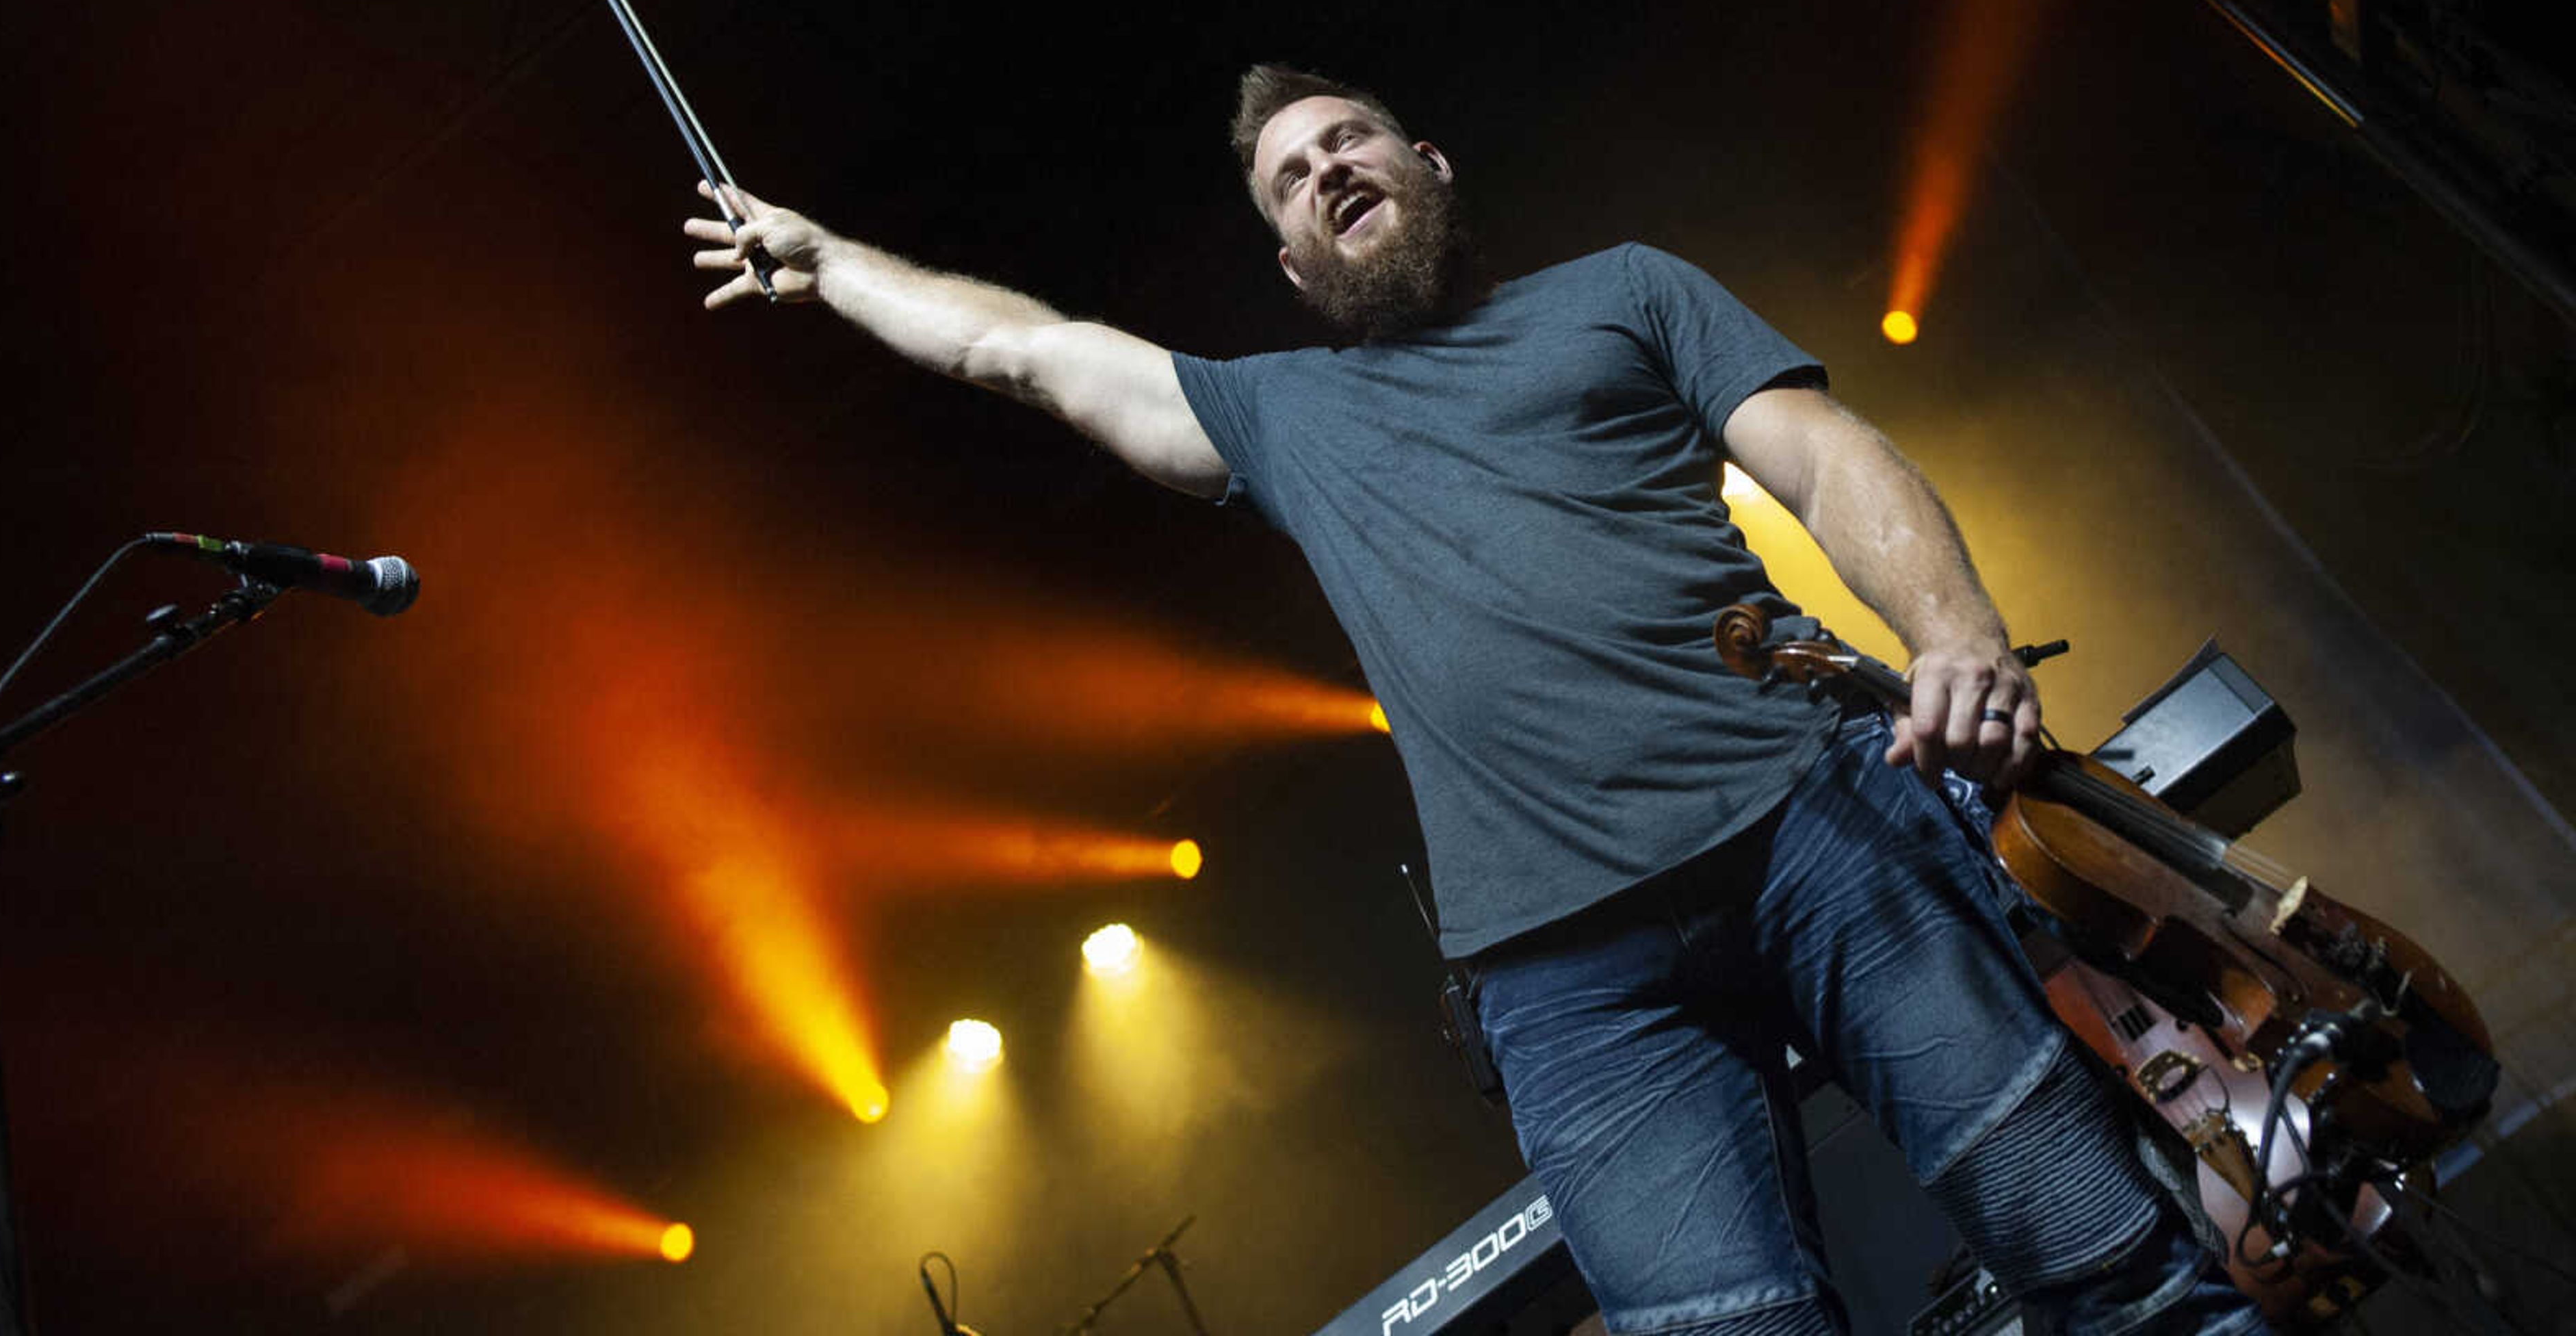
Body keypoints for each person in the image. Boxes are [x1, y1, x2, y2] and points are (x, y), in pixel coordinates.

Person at [685, 65, 2261, 1335]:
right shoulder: (1274, 410)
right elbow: (1017, 349)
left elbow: (1827, 459)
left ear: (1427, 161)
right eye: (1290, 182)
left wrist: (1955, 632)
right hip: (1567, 978)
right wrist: (830, 266)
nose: (1323, 174)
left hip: (1816, 825)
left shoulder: (1624, 291)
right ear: (1291, 264)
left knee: (2111, 1260)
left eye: (1346, 140)